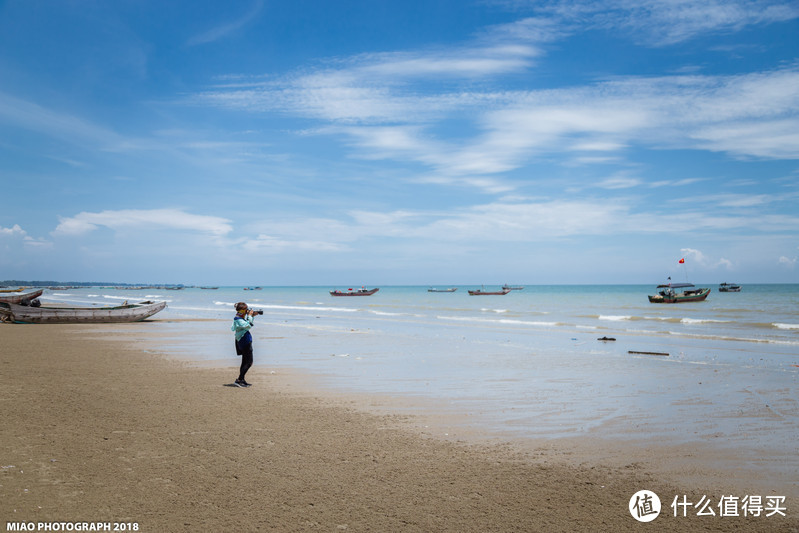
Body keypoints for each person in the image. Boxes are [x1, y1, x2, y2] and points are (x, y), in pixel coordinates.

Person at [231, 302, 256, 387]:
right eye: (246, 310)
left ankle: (242, 379)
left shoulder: (239, 318)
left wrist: (251, 316)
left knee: (244, 361)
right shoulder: (238, 319)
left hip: (244, 341)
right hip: (244, 341)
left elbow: (248, 324)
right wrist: (250, 316)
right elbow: (248, 325)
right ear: (242, 310)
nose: (247, 311)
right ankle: (239, 380)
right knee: (249, 362)